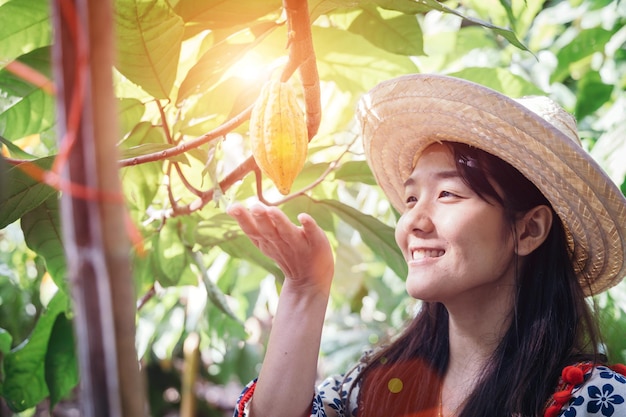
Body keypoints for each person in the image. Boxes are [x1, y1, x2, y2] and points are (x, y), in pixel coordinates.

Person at [226, 74, 626, 417]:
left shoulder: (596, 402)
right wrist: (305, 288)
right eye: (412, 198)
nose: (413, 222)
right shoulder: (373, 387)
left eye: (449, 194)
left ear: (529, 230)